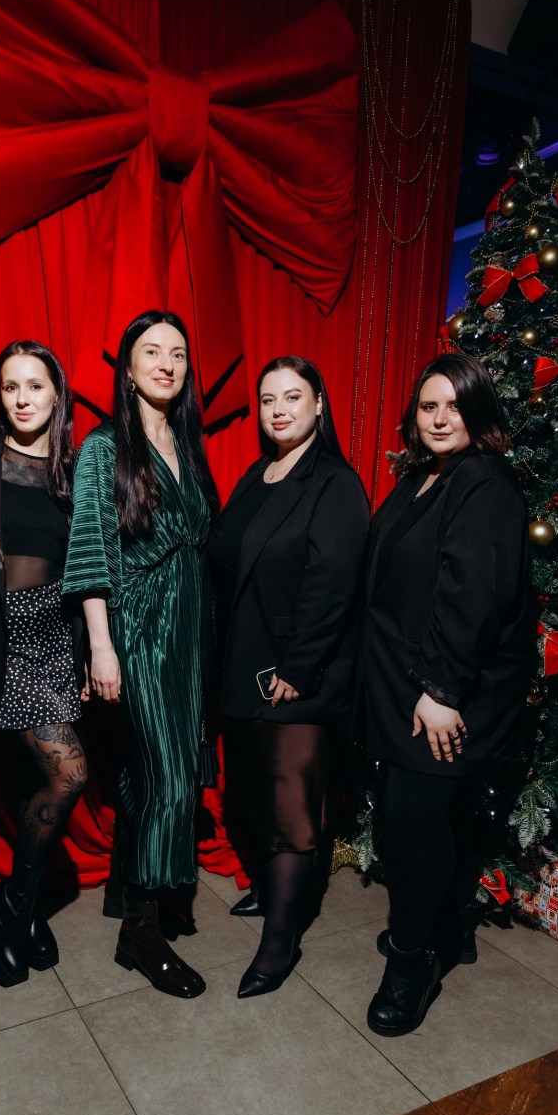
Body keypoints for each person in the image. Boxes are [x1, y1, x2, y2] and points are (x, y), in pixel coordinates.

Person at [361, 351, 533, 1037]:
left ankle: (410, 963)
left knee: (410, 819)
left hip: (451, 691)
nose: (438, 418)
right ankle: (450, 927)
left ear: (478, 412)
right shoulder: (424, 476)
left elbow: (473, 596)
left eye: (454, 406)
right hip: (410, 681)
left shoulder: (485, 483)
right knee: (436, 816)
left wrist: (441, 689)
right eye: (428, 406)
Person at [62, 310, 218, 998]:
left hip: (188, 628)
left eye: (177, 353)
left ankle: (133, 887)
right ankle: (142, 931)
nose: (165, 363)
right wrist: (102, 648)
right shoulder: (104, 448)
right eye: (151, 351)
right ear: (127, 368)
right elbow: (90, 552)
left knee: (151, 768)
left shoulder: (187, 442)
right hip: (139, 626)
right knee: (169, 775)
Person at [208, 356, 369, 997]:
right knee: (255, 793)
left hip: (297, 675)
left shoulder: (334, 483)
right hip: (243, 668)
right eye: (268, 399)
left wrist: (299, 668)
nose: (278, 410)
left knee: (293, 807)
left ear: (319, 403)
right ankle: (272, 894)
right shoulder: (259, 473)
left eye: (293, 397)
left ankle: (282, 939)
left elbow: (332, 585)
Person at [0, 340, 88, 988]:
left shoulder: (73, 470)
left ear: (57, 394)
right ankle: (16, 912)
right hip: (1, 635)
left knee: (43, 777)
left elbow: (88, 565)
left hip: (55, 634)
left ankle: (13, 907)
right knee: (68, 772)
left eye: (35, 385)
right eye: (10, 387)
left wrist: (92, 649)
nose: (22, 399)